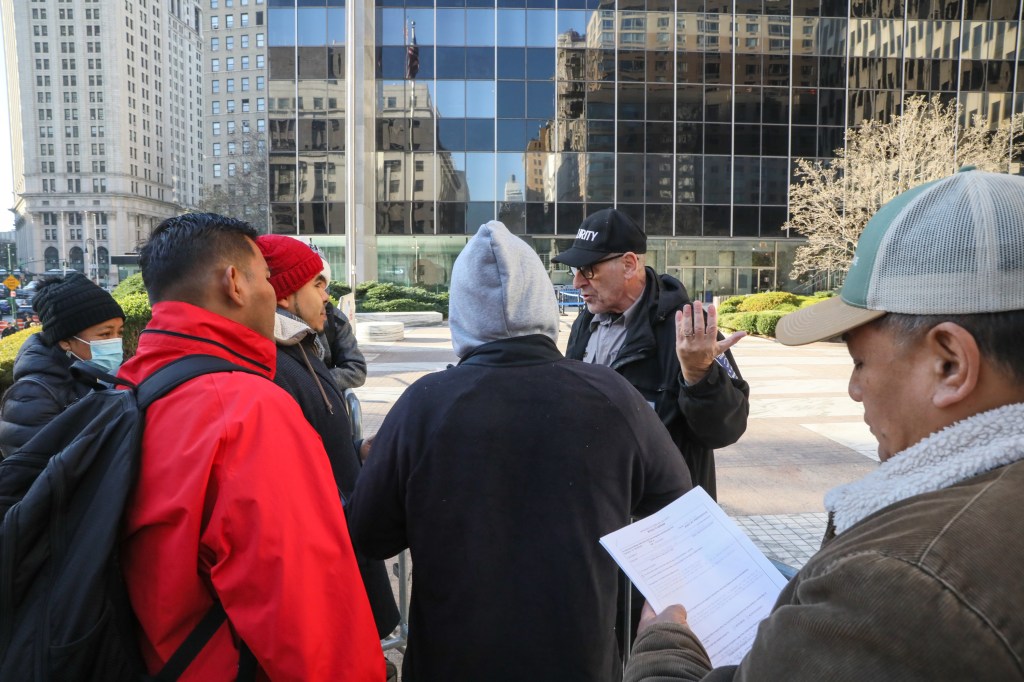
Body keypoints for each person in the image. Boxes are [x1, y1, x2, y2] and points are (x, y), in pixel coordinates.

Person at [623, 168, 1024, 682]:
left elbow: (725, 425)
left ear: (950, 363)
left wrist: (662, 649)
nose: (854, 389)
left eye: (859, 362)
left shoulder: (892, 584)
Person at [347, 221, 693, 682]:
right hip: (580, 657)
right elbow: (678, 506)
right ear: (542, 304)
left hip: (453, 660)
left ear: (462, 311)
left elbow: (369, 534)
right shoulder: (611, 394)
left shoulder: (424, 403)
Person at [118, 213, 383, 680]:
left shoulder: (139, 384)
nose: (272, 291)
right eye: (265, 276)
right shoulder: (246, 411)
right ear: (235, 283)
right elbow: (308, 615)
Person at [256, 235, 400, 646]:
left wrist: (356, 451)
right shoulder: (274, 365)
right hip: (325, 559)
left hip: (347, 540)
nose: (327, 295)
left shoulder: (301, 348)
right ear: (285, 294)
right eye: (317, 284)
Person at [552, 209, 749, 500]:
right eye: (575, 271)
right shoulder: (585, 322)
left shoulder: (690, 332)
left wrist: (699, 375)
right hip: (597, 505)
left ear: (629, 265)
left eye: (589, 269)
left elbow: (725, 430)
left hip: (663, 521)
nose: (578, 282)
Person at [0, 272, 124, 457]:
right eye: (104, 335)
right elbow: (34, 472)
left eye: (120, 332)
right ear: (66, 341)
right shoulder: (31, 396)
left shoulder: (93, 376)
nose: (115, 342)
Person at [313, 255, 367, 389]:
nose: (325, 297)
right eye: (315, 286)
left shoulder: (336, 320)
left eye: (322, 286)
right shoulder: (275, 325)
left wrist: (316, 383)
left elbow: (356, 370)